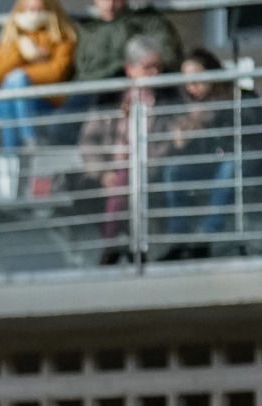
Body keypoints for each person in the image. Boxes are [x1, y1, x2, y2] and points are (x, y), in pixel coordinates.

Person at [158, 48, 262, 259]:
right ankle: (177, 239)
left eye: (198, 77)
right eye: (187, 80)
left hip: (239, 159)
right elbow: (181, 149)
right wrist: (181, 142)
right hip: (208, 162)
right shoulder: (186, 106)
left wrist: (214, 119)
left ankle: (208, 233)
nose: (192, 85)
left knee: (228, 167)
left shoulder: (239, 97)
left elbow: (251, 130)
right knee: (174, 171)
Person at [78, 35, 175, 265]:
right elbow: (88, 141)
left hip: (150, 170)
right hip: (113, 171)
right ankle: (127, 246)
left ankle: (111, 246)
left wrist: (144, 167)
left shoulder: (169, 101)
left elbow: (169, 144)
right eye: (148, 67)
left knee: (123, 182)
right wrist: (103, 172)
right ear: (130, 69)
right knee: (120, 181)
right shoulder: (109, 100)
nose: (155, 73)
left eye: (158, 67)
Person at [0, 0, 77, 151]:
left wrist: (22, 74)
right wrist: (20, 54)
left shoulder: (61, 36)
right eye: (30, 9)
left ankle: (20, 149)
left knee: (16, 82)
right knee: (9, 94)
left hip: (46, 101)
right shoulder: (13, 39)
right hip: (12, 103)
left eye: (39, 10)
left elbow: (57, 72)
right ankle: (26, 143)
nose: (34, 15)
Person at [72, 0, 181, 82]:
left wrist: (137, 67)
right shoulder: (86, 29)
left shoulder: (146, 20)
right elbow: (82, 70)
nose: (110, 4)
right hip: (93, 93)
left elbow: (167, 54)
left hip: (139, 87)